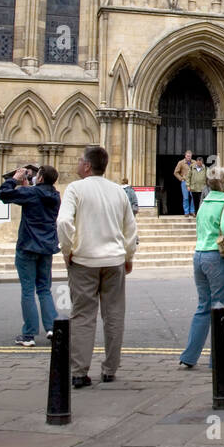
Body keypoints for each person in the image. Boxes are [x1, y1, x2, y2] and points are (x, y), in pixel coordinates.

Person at [57, 145, 139, 388]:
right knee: (114, 315)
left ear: (87, 165)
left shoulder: (75, 188)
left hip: (84, 260)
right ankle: (110, 369)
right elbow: (130, 229)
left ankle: (79, 372)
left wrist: (67, 250)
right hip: (114, 260)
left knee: (83, 316)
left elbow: (63, 222)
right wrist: (128, 256)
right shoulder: (118, 191)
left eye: (80, 160)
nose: (78, 163)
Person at [179, 166, 224, 369]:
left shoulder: (205, 202)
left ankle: (189, 356)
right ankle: (218, 360)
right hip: (217, 257)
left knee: (203, 307)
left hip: (199, 255)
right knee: (221, 309)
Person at [0, 165, 61, 346]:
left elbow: (3, 194)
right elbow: (37, 200)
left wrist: (15, 179)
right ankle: (52, 329)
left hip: (27, 247)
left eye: (37, 175)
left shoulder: (32, 194)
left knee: (28, 291)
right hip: (46, 247)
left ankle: (29, 335)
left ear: (40, 178)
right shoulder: (55, 196)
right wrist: (26, 187)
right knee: (44, 289)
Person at [174, 150, 194, 216]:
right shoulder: (181, 163)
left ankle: (192, 211)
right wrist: (181, 178)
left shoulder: (194, 162)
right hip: (184, 182)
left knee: (193, 197)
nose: (189, 157)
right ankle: (186, 212)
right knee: (186, 197)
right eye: (187, 156)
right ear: (185, 156)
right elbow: (176, 172)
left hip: (192, 182)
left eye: (190, 156)